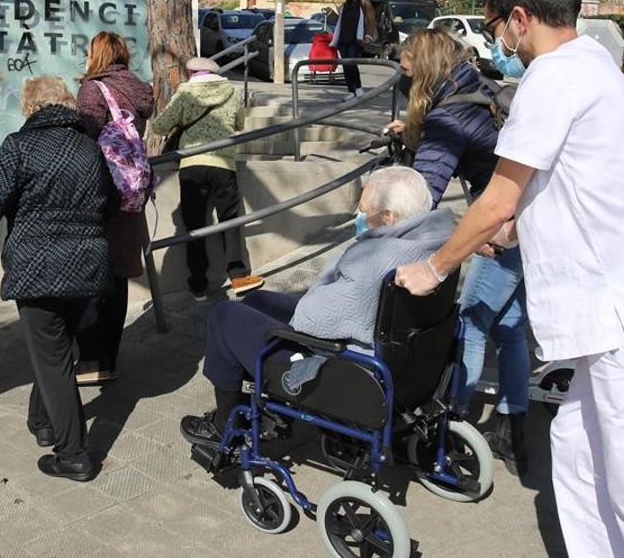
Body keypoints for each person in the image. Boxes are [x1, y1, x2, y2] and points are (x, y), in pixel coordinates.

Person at [395, 0, 624, 557]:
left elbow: (499, 197)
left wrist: (434, 265)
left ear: (520, 18)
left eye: (496, 28)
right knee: (576, 450)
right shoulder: (592, 65)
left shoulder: (553, 77)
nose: (498, 43)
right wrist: (514, 233)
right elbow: (570, 188)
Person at [179, 166, 451, 445]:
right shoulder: (434, 250)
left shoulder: (375, 258)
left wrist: (320, 292)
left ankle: (225, 424)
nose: (358, 217)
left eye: (364, 210)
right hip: (394, 357)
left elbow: (310, 320)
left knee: (225, 316)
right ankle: (268, 403)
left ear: (389, 217)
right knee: (256, 300)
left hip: (345, 367)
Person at [0, 76, 113, 482]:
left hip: (39, 265)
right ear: (66, 105)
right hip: (87, 263)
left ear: (30, 108)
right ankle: (43, 421)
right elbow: (110, 202)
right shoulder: (90, 146)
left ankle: (74, 454)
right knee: (58, 350)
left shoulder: (21, 146)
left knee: (51, 358)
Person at [385, 27, 529, 474]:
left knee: (469, 320)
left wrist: (382, 211)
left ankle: (445, 429)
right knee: (507, 326)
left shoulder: (448, 117)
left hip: (505, 224)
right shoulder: (476, 80)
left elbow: (423, 192)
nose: (404, 80)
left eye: (407, 72)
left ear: (424, 69)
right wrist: (413, 130)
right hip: (533, 214)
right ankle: (513, 425)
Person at [73, 32, 154, 385]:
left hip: (101, 194)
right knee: (119, 274)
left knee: (91, 273)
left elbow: (85, 141)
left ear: (97, 54)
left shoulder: (93, 89)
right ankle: (110, 358)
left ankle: (91, 359)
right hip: (132, 195)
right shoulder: (139, 88)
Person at [151, 57, 264, 300]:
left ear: (191, 72)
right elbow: (239, 124)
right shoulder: (231, 91)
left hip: (192, 164)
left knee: (194, 225)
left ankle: (198, 284)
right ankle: (238, 275)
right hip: (224, 163)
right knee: (230, 220)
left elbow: (160, 127)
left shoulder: (185, 92)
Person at [330, 0, 378, 100]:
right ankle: (351, 90)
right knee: (345, 65)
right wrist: (331, 14)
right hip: (343, 39)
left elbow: (371, 20)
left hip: (355, 39)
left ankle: (358, 88)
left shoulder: (364, 3)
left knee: (351, 62)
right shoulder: (344, 6)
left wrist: (368, 36)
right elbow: (340, 21)